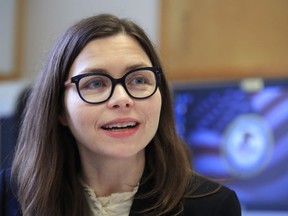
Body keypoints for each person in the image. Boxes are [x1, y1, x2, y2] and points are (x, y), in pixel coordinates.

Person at [0, 14, 241, 216]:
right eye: (95, 83)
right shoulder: (9, 197)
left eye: (138, 80)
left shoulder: (213, 206)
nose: (122, 99)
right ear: (60, 109)